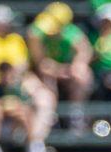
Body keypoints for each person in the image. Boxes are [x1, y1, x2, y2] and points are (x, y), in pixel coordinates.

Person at [0, 5, 56, 152]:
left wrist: (9, 74)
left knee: (24, 112)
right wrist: (0, 69)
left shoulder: (15, 40)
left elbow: (22, 67)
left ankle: (34, 146)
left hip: (11, 90)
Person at [26, 2, 93, 131]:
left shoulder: (70, 32)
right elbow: (42, 65)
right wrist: (59, 70)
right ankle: (50, 118)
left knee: (83, 74)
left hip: (63, 70)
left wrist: (77, 65)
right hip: (41, 74)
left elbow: (85, 50)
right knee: (47, 77)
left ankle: (76, 114)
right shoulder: (35, 33)